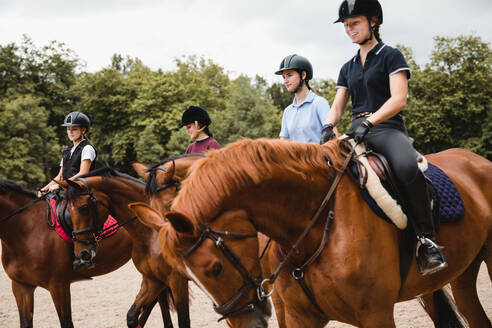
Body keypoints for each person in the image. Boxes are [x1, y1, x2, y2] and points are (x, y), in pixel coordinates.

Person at [320, 0, 447, 275]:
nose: (349, 29)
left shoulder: (391, 55)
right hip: (356, 130)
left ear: (373, 21)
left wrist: (370, 120)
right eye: (346, 26)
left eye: (354, 23)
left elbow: (399, 98)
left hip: (387, 128)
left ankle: (427, 240)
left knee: (405, 166)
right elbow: (339, 105)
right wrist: (328, 126)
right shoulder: (348, 66)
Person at [275, 54, 335, 143]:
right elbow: (284, 143)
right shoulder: (287, 111)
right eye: (284, 77)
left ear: (303, 75)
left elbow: (333, 140)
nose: (285, 81)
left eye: (289, 75)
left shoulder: (320, 104)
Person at [40, 111, 97, 194]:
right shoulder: (67, 151)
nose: (70, 132)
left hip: (81, 193)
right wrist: (43, 189)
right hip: (67, 192)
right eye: (68, 129)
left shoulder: (87, 149)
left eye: (74, 129)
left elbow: (83, 173)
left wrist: (60, 186)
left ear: (83, 130)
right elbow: (60, 176)